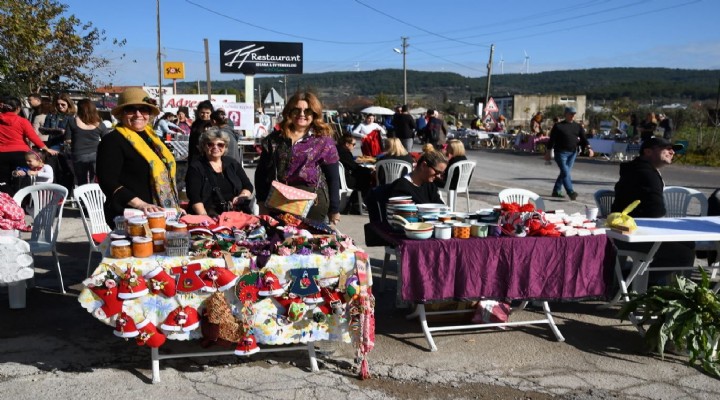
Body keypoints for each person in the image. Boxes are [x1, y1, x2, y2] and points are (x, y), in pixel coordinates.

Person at [611, 137, 694, 283]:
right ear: (648, 151)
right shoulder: (646, 173)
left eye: (673, 149)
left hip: (624, 229)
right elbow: (656, 212)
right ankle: (634, 282)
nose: (672, 152)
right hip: (631, 234)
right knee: (684, 254)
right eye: (666, 148)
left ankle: (637, 279)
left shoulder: (637, 168)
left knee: (688, 243)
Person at [96, 88, 180, 227]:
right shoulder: (113, 140)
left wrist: (173, 206)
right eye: (130, 110)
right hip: (132, 215)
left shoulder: (153, 138)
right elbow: (107, 181)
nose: (138, 114)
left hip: (158, 213)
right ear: (121, 114)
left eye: (143, 109)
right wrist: (140, 204)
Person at [254, 92, 341, 224]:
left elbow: (333, 177)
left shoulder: (323, 141)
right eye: (297, 110)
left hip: (312, 203)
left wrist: (334, 209)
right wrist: (261, 202)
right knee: (279, 242)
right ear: (289, 112)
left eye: (307, 111)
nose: (302, 114)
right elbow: (261, 173)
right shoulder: (274, 140)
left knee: (307, 243)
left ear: (314, 114)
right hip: (278, 201)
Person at [185, 127, 253, 216]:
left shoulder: (232, 163)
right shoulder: (196, 167)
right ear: (203, 147)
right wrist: (205, 219)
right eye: (210, 144)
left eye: (220, 145)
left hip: (235, 214)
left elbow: (248, 185)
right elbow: (195, 198)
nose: (215, 147)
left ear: (225, 147)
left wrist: (241, 197)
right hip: (208, 215)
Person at [0, 96, 58, 194]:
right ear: (18, 108)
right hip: (20, 154)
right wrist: (46, 148)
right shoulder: (22, 121)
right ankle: (20, 203)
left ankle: (6, 204)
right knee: (21, 180)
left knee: (3, 181)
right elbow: (33, 137)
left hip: (1, 154)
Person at [544, 106, 593, 200]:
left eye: (574, 114)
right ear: (565, 114)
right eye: (571, 114)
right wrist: (548, 152)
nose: (573, 116)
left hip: (572, 153)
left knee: (564, 172)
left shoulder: (577, 126)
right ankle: (570, 192)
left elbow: (583, 138)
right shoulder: (558, 126)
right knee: (565, 172)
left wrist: (589, 148)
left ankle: (556, 191)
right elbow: (552, 140)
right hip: (560, 153)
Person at [65, 99, 108, 186]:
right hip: (96, 155)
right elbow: (106, 139)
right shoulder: (99, 124)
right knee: (96, 180)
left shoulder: (72, 121)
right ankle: (94, 197)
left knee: (81, 181)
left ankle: (83, 198)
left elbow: (67, 139)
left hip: (79, 155)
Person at [336, 134, 372, 212]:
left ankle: (354, 202)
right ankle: (355, 203)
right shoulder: (345, 153)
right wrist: (370, 170)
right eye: (353, 144)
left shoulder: (336, 150)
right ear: (347, 144)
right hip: (343, 180)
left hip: (336, 178)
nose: (354, 147)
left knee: (362, 177)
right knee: (365, 178)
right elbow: (354, 167)